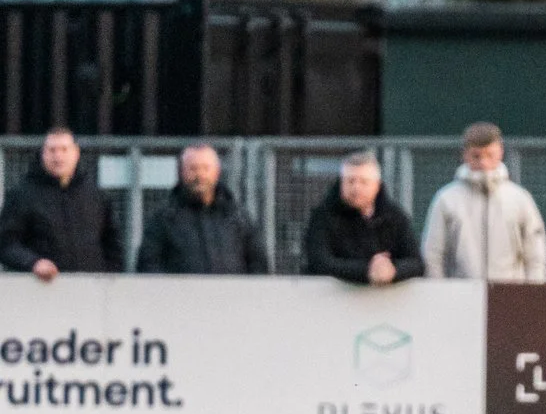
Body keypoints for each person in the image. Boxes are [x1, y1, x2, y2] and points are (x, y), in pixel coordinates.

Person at [421, 121, 546, 284]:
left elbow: (535, 253)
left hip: (512, 295)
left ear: (500, 153)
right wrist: (440, 292)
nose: (483, 162)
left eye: (490, 155)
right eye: (476, 156)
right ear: (465, 155)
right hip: (461, 294)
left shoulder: (519, 199)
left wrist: (532, 293)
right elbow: (433, 253)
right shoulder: (446, 199)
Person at [1, 127, 122, 279]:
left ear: (76, 153)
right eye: (52, 150)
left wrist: (109, 277)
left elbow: (112, 244)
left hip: (91, 292)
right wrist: (33, 263)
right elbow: (6, 244)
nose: (58, 157)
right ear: (43, 154)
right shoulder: (22, 195)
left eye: (64, 149)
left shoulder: (95, 194)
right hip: (40, 291)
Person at [137, 144, 269, 275]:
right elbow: (148, 265)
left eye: (206, 168)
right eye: (193, 169)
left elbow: (258, 264)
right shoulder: (164, 218)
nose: (199, 175)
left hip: (231, 295)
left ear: (217, 172)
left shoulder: (237, 216)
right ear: (181, 172)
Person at [301, 151, 423, 285]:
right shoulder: (323, 216)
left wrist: (392, 270)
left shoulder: (394, 217)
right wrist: (367, 270)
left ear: (377, 185)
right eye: (350, 181)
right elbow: (320, 262)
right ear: (341, 183)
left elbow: (416, 263)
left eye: (364, 182)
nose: (356, 188)